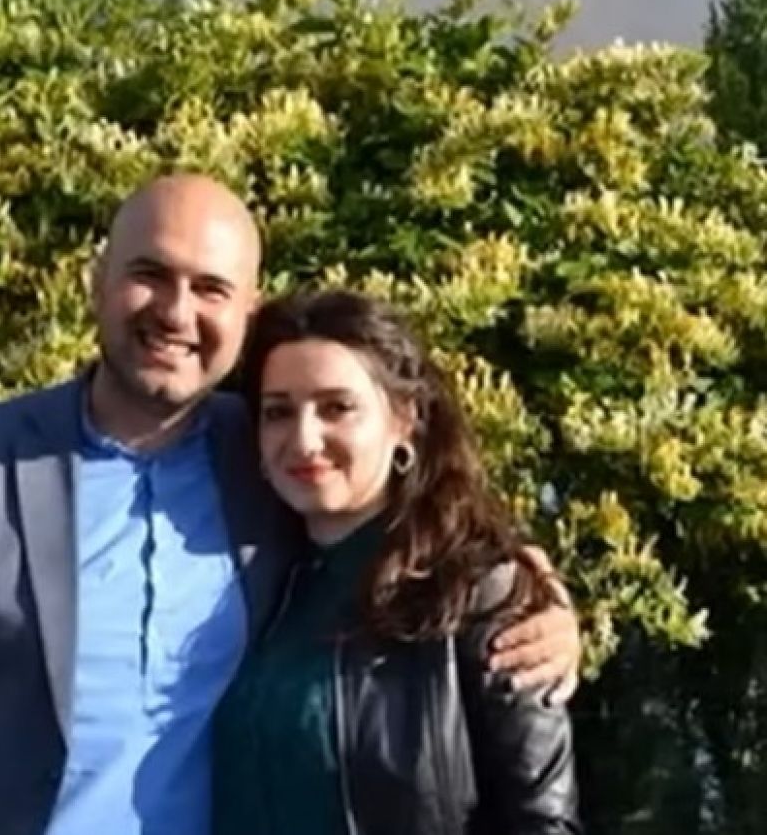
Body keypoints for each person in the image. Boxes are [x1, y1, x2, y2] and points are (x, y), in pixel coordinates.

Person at [0, 175, 581, 835]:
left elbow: (412, 526)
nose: (177, 312)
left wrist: (532, 590)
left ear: (246, 312)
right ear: (99, 281)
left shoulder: (264, 458)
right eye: (150, 273)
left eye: (211, 288)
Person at [212, 289, 580, 835]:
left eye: (337, 407)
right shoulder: (256, 581)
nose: (304, 440)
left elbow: (544, 822)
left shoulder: (478, 593)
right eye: (278, 412)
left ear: (404, 420)